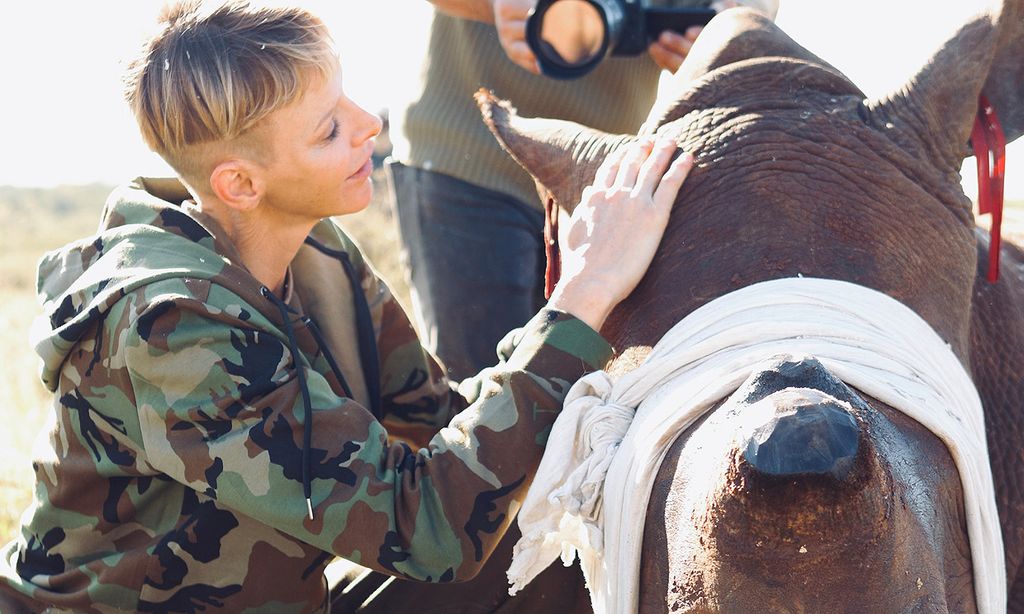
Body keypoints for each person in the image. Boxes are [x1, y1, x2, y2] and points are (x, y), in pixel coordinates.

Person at [0, 1, 693, 612]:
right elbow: (431, 527)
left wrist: (592, 311)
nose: (367, 125)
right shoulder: (172, 327)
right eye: (328, 128)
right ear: (240, 183)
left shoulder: (315, 252)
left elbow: (444, 428)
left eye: (348, 102)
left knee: (551, 550)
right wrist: (584, 296)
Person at [389, 0, 776, 382]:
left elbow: (757, 6)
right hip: (465, 157)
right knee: (479, 389)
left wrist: (732, 21)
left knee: (588, 391)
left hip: (606, 180)